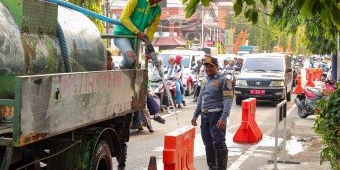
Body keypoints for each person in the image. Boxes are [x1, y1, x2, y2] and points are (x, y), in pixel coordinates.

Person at [191, 55, 234, 170]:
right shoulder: (205, 80)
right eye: (206, 66)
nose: (208, 69)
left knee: (218, 143)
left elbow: (228, 100)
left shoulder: (224, 80)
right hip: (205, 116)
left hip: (216, 116)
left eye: (211, 66)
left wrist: (224, 117)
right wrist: (196, 114)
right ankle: (212, 167)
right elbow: (201, 98)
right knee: (208, 144)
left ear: (216, 67)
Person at [113, 0, 162, 69]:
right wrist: (138, 32)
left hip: (136, 39)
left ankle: (126, 77)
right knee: (131, 58)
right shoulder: (136, 1)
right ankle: (119, 69)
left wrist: (148, 47)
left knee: (134, 64)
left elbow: (151, 31)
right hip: (122, 35)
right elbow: (124, 18)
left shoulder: (157, 10)